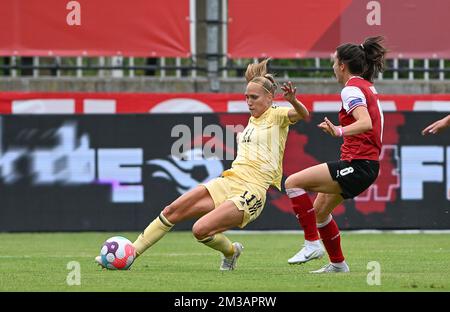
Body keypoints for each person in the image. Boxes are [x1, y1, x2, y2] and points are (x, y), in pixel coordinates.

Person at [96, 59, 309, 270]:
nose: (249, 102)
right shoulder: (253, 120)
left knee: (200, 230)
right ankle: (130, 254)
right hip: (230, 180)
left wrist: (293, 101)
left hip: (252, 191)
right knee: (172, 210)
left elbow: (303, 114)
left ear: (270, 98)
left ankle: (231, 251)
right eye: (246, 97)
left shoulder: (277, 115)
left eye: (254, 97)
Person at [285, 36, 388, 273]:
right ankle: (338, 264)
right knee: (320, 210)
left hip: (359, 164)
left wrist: (339, 130)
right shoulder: (364, 86)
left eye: (334, 62)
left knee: (293, 183)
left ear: (342, 65)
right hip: (363, 164)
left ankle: (311, 244)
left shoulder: (351, 89)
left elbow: (365, 123)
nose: (332, 67)